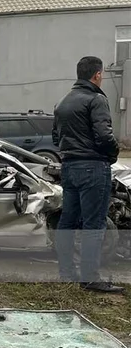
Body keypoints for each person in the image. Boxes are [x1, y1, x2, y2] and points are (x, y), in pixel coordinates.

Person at [52, 56, 124, 293]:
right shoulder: (96, 99)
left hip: (69, 168)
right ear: (98, 75)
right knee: (94, 224)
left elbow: (56, 138)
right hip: (93, 167)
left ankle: (66, 273)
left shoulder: (63, 102)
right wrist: (113, 152)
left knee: (67, 222)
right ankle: (90, 278)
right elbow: (104, 136)